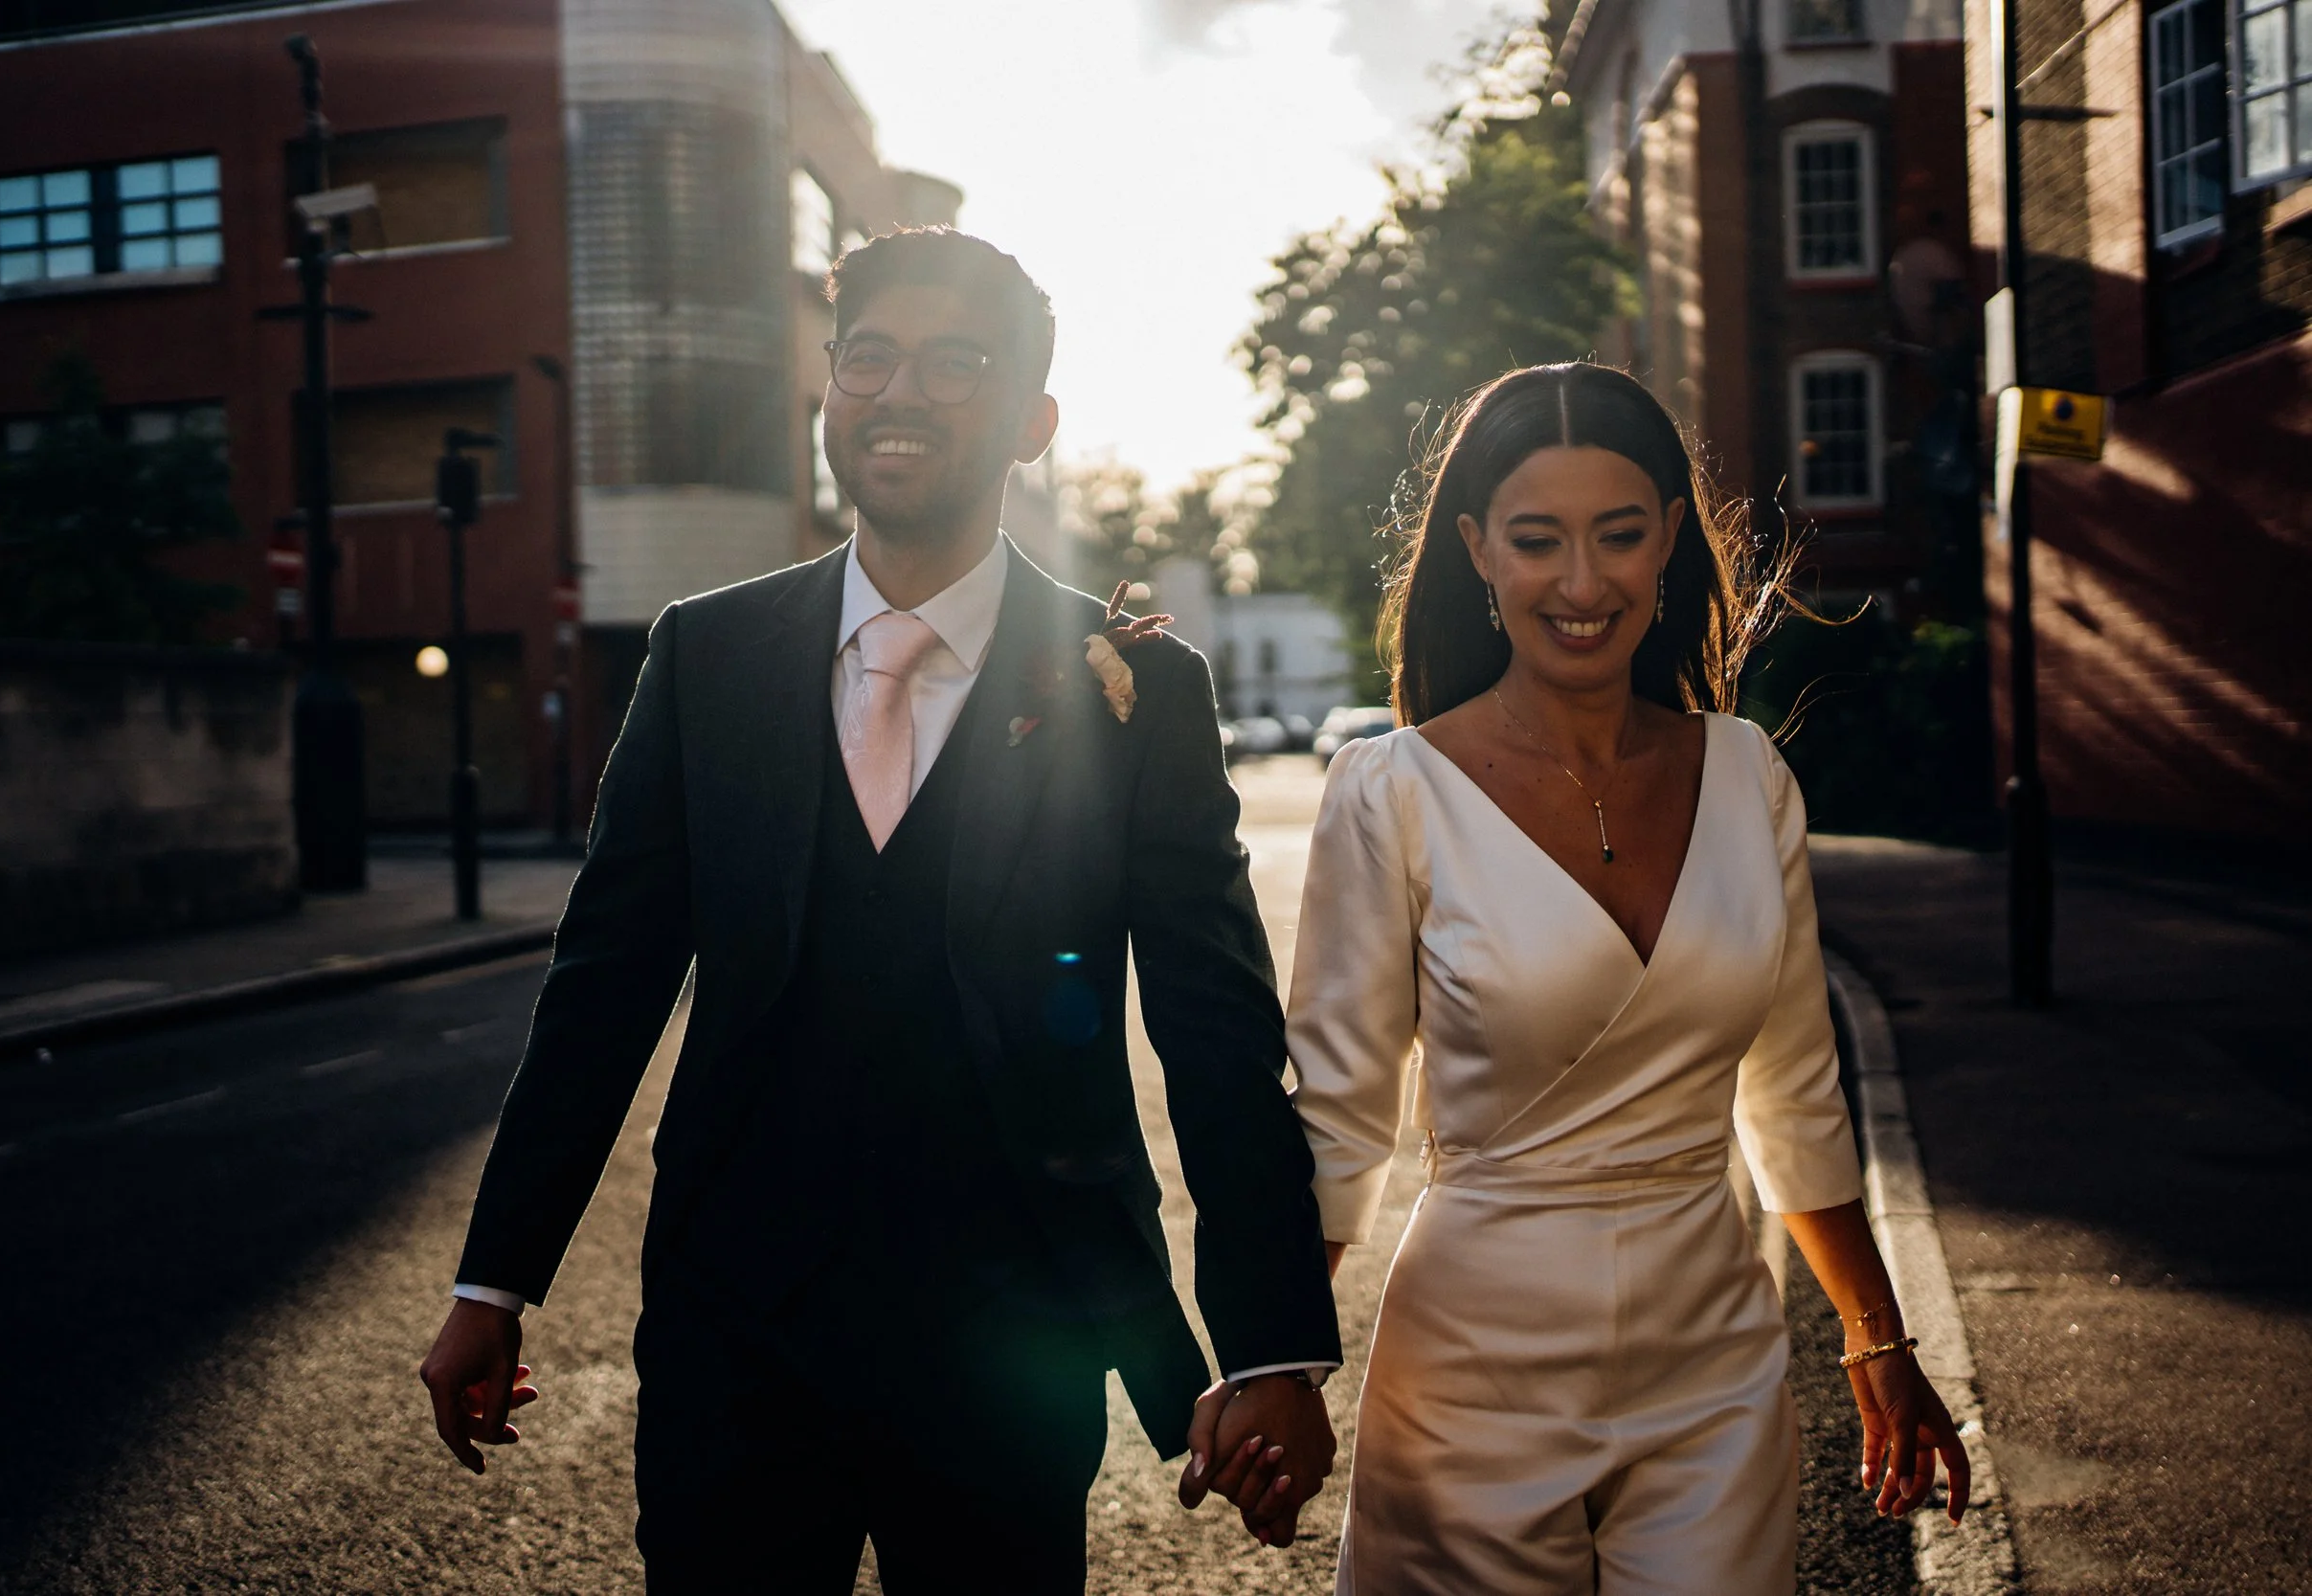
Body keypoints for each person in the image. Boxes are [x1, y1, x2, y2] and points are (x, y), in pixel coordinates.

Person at [417, 228, 1340, 1592]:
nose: (899, 392)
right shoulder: (705, 655)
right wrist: (495, 1278)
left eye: (955, 364)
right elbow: (602, 984)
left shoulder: (1141, 692)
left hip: (1010, 1344)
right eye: (869, 357)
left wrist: (1269, 1346)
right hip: (735, 1333)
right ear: (830, 392)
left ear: (1033, 420)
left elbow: (1213, 1029)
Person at [1287, 362, 1971, 1592]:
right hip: (1469, 1372)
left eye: (1616, 535)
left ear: (1667, 535)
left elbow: (1796, 1090)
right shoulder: (1390, 791)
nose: (1583, 582)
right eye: (1537, 540)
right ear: (1477, 551)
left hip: (1711, 1360)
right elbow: (1340, 1118)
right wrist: (1273, 1359)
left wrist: (1877, 1340)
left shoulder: (1750, 773)